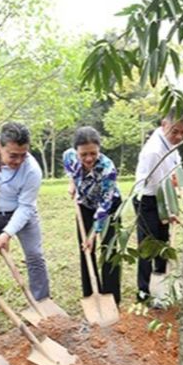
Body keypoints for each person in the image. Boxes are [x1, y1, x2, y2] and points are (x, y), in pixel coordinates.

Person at [0, 122, 51, 316]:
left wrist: (7, 233)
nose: (18, 160)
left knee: (35, 255)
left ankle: (41, 302)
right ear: (0, 147)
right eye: (13, 155)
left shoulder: (32, 170)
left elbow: (26, 207)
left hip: (23, 213)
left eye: (23, 155)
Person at [63, 126, 122, 305]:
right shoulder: (69, 156)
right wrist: (72, 183)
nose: (89, 158)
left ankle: (111, 296)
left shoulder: (108, 169)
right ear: (77, 152)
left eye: (93, 153)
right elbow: (70, 169)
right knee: (85, 249)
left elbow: (105, 204)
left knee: (109, 250)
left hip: (109, 207)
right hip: (85, 205)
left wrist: (93, 233)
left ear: (99, 149)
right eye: (84, 154)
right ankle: (90, 294)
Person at [133, 110, 183, 302]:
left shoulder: (170, 143)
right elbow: (161, 186)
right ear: (164, 125)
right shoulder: (154, 150)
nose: (179, 136)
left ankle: (162, 287)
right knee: (148, 246)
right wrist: (170, 210)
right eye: (175, 131)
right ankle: (144, 291)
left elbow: (176, 172)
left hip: (163, 195)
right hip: (148, 199)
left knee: (163, 243)